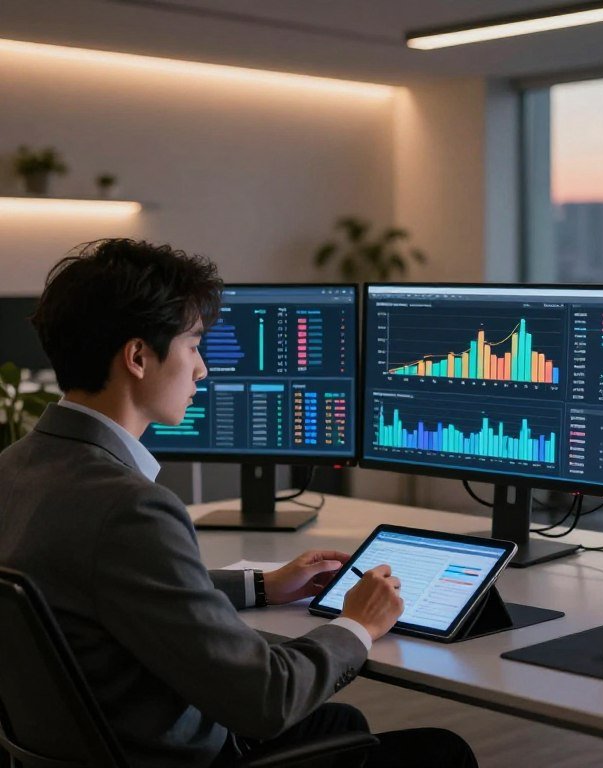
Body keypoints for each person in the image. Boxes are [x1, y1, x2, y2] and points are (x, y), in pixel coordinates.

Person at [0, 239, 476, 768]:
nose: (202, 370)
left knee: (342, 726)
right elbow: (265, 701)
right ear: (137, 357)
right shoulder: (130, 508)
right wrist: (357, 625)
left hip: (79, 750)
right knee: (443, 753)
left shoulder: (13, 468)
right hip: (173, 756)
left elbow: (102, 589)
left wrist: (262, 587)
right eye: (193, 345)